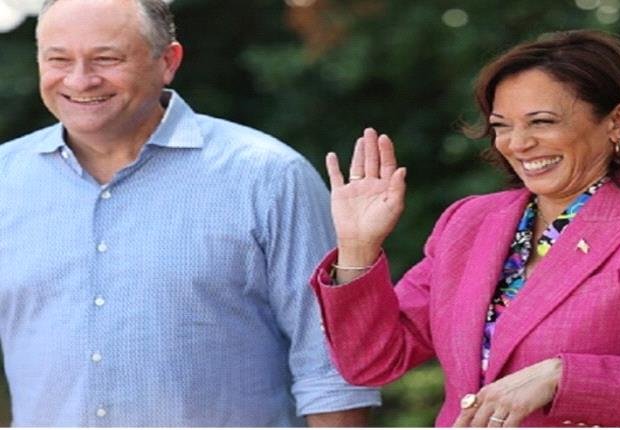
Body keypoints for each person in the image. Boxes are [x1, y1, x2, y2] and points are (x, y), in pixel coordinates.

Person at [310, 29, 620, 427]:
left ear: (618, 121)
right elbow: (373, 362)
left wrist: (565, 378)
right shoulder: (469, 223)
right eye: (502, 126)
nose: (517, 144)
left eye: (542, 122)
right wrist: (358, 248)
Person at [0, 0, 380, 426]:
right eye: (58, 59)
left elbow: (330, 370)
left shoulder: (268, 178)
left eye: (107, 59)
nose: (80, 79)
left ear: (168, 61)